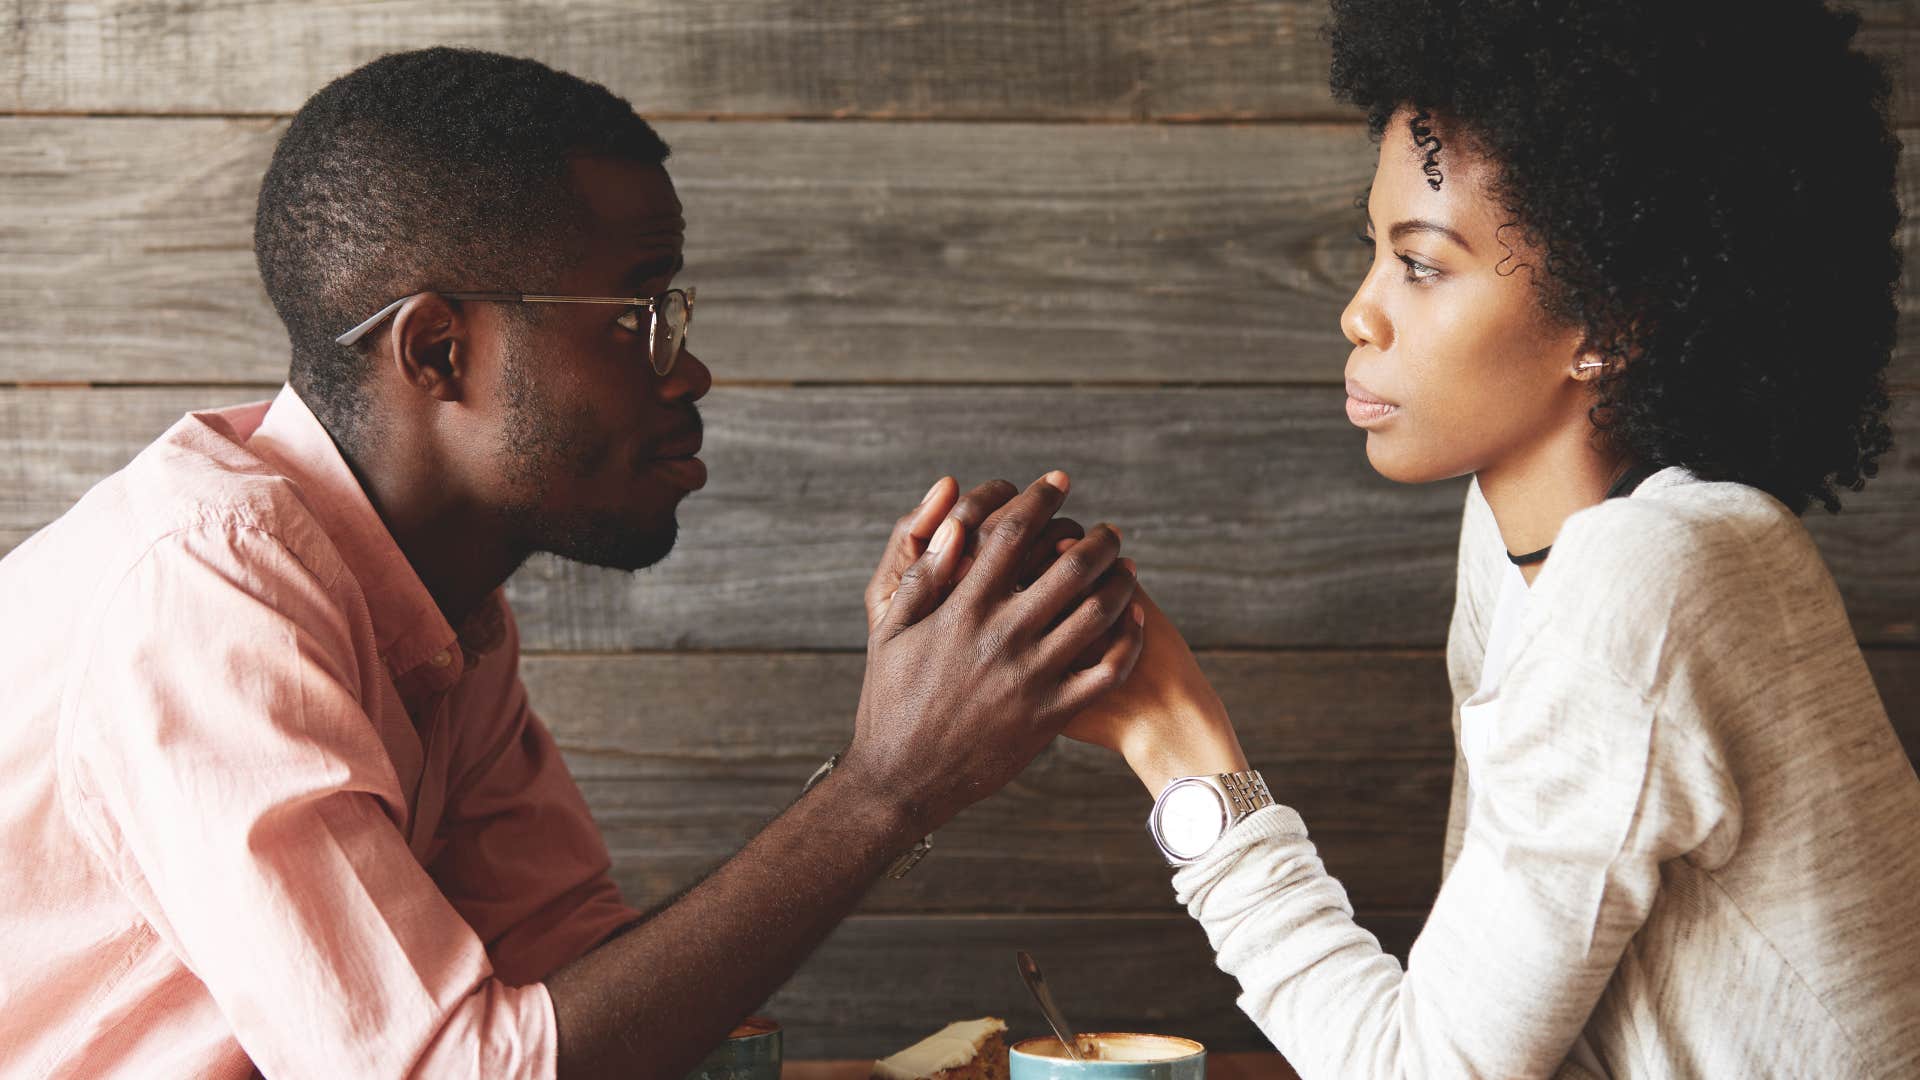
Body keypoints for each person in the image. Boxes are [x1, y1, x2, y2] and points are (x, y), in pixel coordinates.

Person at [0, 48, 1145, 1079]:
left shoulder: (448, 616)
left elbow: (583, 991)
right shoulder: (206, 598)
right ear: (439, 350)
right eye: (641, 314)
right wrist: (886, 785)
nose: (687, 372)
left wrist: (909, 718)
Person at [1067, 1, 1920, 1076]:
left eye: (1420, 265)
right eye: (1373, 250)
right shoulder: (1520, 542)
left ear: (1610, 325)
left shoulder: (1647, 577)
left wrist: (1178, 745)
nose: (1359, 314)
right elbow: (1501, 1027)